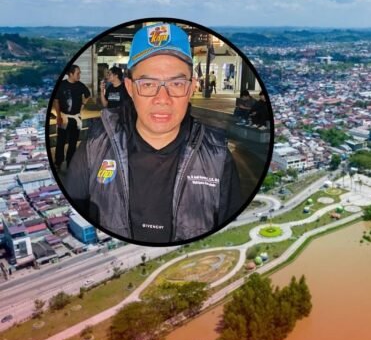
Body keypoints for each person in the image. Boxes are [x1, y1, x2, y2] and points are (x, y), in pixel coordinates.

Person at [64, 23, 241, 244]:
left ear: (191, 88)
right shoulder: (94, 147)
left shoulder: (217, 157)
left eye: (177, 83)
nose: (162, 99)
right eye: (148, 84)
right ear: (130, 88)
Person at [53, 64, 91, 169]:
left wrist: (83, 104)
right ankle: (58, 162)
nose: (79, 75)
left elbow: (88, 95)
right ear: (70, 74)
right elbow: (56, 101)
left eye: (80, 73)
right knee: (60, 141)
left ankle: (70, 163)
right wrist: (58, 116)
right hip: (64, 117)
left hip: (76, 117)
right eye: (77, 73)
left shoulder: (80, 85)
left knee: (73, 142)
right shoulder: (61, 85)